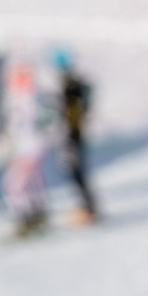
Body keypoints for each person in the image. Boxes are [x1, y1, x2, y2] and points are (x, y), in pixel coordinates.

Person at [1, 57, 51, 238]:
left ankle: (28, 218)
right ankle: (36, 215)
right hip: (28, 148)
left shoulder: (29, 100)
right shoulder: (22, 99)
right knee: (28, 182)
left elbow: (29, 128)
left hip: (31, 149)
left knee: (13, 184)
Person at [52, 49, 99, 223]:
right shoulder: (73, 85)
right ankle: (88, 206)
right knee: (75, 171)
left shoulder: (72, 86)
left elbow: (73, 112)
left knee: (76, 171)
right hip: (73, 132)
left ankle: (89, 208)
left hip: (74, 133)